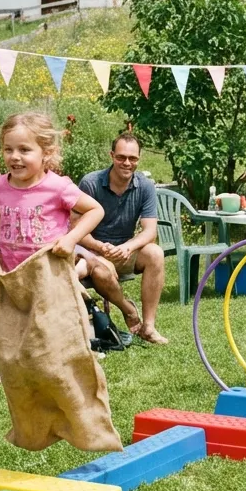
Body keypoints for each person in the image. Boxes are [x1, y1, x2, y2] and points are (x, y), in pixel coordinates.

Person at [0, 112, 105, 273]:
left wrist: (71, 239)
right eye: (8, 149)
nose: (14, 156)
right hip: (10, 273)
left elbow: (95, 210)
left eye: (24, 150)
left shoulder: (58, 187)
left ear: (46, 153)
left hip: (49, 273)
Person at [78, 133, 166, 345]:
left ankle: (149, 327)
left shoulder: (145, 186)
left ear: (139, 159)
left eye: (132, 158)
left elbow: (149, 231)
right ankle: (128, 309)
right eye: (121, 157)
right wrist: (100, 246)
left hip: (124, 250)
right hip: (94, 251)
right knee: (100, 270)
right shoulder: (91, 183)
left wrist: (128, 247)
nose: (127, 163)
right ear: (112, 156)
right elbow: (76, 227)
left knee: (155, 253)